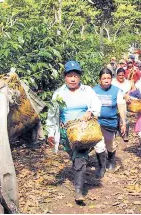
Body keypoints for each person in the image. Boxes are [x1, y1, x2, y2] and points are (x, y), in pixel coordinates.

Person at [46, 60, 107, 203]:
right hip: (66, 132)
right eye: (69, 75)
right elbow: (53, 114)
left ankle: (79, 191)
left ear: (80, 77)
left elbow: (96, 104)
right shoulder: (59, 94)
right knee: (74, 157)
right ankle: (79, 171)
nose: (72, 79)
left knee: (80, 157)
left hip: (84, 130)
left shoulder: (87, 91)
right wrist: (50, 133)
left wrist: (90, 112)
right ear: (64, 77)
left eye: (75, 75)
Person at [93, 68, 127, 171]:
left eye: (108, 78)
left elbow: (121, 106)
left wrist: (123, 122)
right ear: (100, 80)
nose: (106, 80)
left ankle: (111, 160)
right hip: (97, 122)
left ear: (111, 79)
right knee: (98, 144)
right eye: (104, 78)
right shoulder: (94, 90)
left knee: (110, 144)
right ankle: (101, 165)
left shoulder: (116, 91)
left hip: (110, 122)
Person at [112, 68, 134, 142]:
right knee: (116, 117)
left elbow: (130, 91)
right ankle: (116, 131)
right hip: (114, 101)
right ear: (117, 75)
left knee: (124, 116)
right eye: (119, 75)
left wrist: (128, 95)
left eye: (122, 75)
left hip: (123, 101)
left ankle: (125, 135)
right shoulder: (113, 82)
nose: (121, 77)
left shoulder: (127, 83)